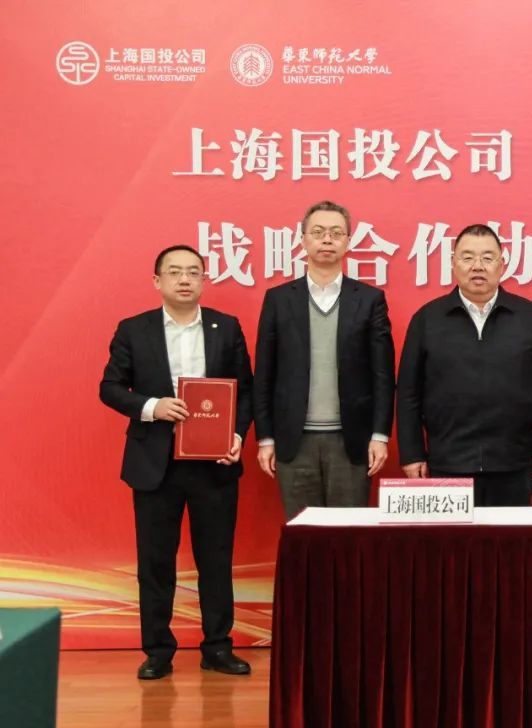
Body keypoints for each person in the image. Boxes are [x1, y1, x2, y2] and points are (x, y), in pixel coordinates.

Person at [99, 245, 253, 679]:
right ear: (157, 281)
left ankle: (217, 647)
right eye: (175, 272)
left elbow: (245, 390)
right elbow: (110, 387)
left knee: (216, 560)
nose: (184, 279)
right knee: (155, 562)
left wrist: (236, 436)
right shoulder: (134, 329)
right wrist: (153, 406)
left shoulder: (226, 326)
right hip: (156, 464)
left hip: (214, 464)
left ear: (204, 280)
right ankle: (158, 651)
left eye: (193, 272)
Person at [397, 223, 532, 506]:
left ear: (502, 264)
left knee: (509, 535)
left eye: (487, 258)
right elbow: (408, 393)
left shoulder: (531, 318)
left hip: (513, 460)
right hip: (448, 461)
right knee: (452, 537)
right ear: (453, 263)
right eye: (468, 257)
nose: (478, 266)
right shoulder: (427, 319)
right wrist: (412, 453)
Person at [253, 200, 395, 519]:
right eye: (318, 232)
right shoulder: (278, 299)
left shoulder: (370, 300)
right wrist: (265, 438)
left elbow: (383, 375)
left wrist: (380, 435)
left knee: (348, 535)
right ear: (303, 239)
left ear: (348, 241)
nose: (327, 239)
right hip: (293, 440)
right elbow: (264, 374)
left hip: (352, 440)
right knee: (303, 534)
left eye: (336, 233)